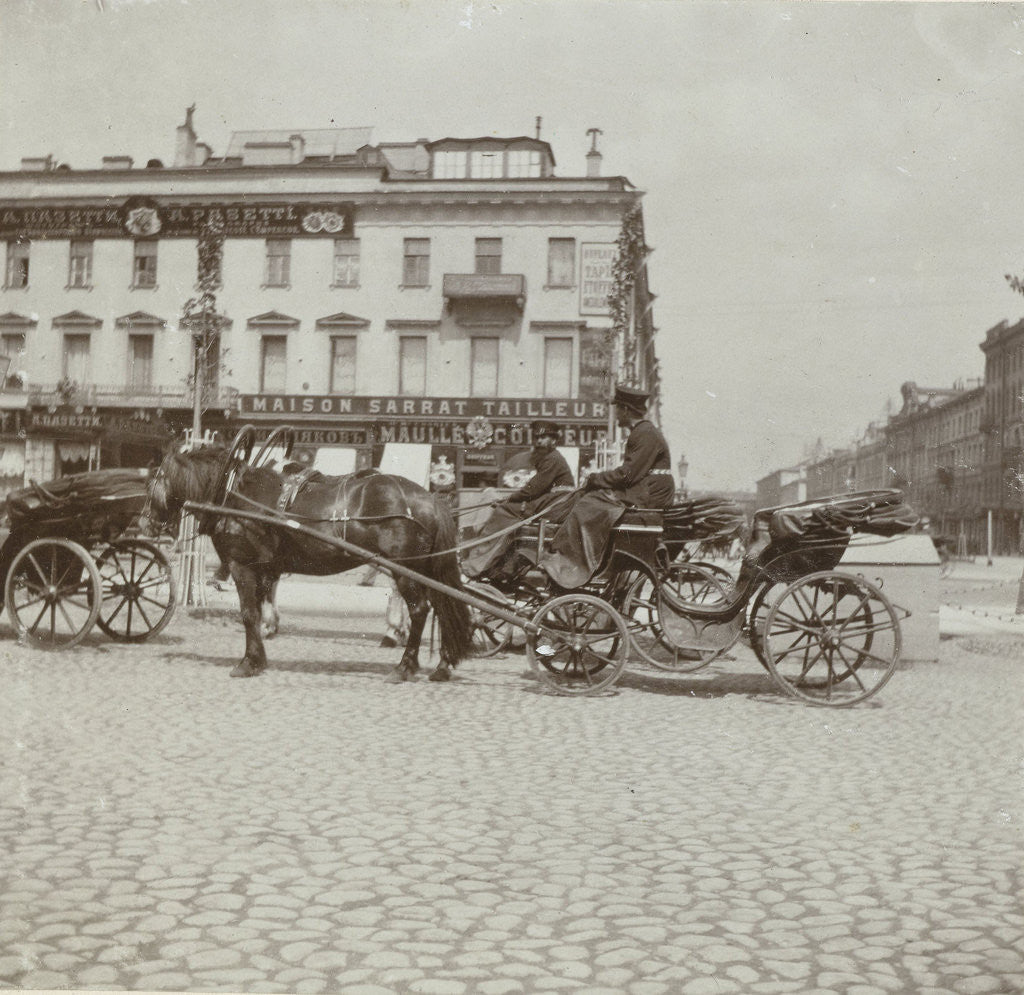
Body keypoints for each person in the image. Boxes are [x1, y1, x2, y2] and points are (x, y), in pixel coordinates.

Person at [541, 384, 674, 589]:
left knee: (589, 504)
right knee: (590, 500)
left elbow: (627, 474)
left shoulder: (644, 433)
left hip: (648, 493)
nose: (616, 414)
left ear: (626, 410)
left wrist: (595, 479)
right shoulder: (643, 431)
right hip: (647, 489)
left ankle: (576, 563)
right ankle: (575, 558)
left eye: (618, 409)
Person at [461, 420, 576, 580]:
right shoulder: (550, 457)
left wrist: (508, 499)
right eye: (536, 438)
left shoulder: (553, 459)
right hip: (552, 503)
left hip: (555, 505)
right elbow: (535, 488)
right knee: (506, 508)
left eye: (543, 438)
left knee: (504, 511)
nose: (539, 441)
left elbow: (533, 488)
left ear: (554, 440)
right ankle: (493, 563)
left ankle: (475, 565)